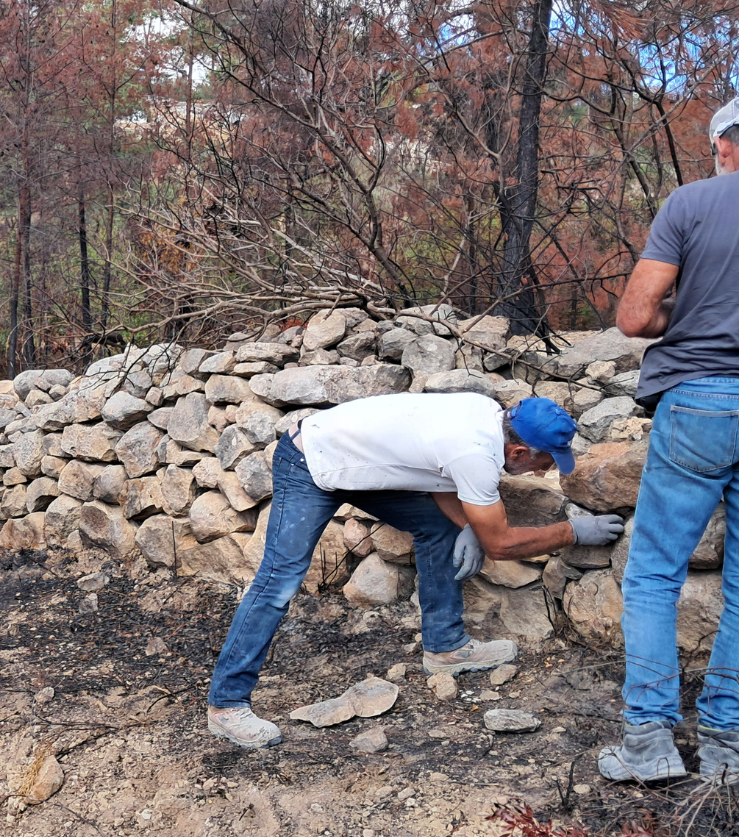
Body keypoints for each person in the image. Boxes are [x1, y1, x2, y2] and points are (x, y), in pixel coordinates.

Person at [206, 393, 625, 749]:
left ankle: (445, 648)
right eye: (545, 462)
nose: (545, 472)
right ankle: (226, 705)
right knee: (280, 580)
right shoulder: (475, 453)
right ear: (517, 451)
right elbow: (500, 543)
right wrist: (572, 531)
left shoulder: (487, 413)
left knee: (438, 527)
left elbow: (438, 478)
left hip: (356, 461)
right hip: (309, 461)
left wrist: (466, 527)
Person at [597, 97, 739, 785]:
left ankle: (649, 739)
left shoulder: (691, 203)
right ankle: (726, 746)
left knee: (654, 572)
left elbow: (632, 316)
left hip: (701, 400)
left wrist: (693, 313)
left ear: (723, 146)